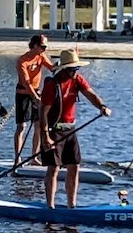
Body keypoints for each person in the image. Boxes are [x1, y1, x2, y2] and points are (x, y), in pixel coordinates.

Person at [38, 49, 111, 209]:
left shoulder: (77, 79)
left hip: (70, 130)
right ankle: (50, 207)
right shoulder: (52, 85)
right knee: (54, 168)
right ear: (64, 69)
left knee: (74, 166)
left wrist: (102, 106)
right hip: (53, 131)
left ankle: (72, 205)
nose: (75, 72)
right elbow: (43, 113)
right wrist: (46, 137)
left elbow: (91, 94)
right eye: (72, 69)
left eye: (76, 68)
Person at [14, 33, 54, 163]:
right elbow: (26, 82)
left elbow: (52, 68)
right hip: (23, 94)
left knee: (38, 125)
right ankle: (17, 158)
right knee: (21, 127)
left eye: (45, 47)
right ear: (35, 45)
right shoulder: (22, 60)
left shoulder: (41, 56)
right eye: (43, 47)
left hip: (36, 91)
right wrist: (35, 97)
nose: (44, 50)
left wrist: (63, 65)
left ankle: (34, 157)